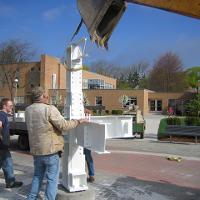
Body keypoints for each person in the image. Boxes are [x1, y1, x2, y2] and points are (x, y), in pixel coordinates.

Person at [25, 87, 88, 200]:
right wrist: (78, 121)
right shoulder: (49, 109)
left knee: (37, 176)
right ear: (42, 96)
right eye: (46, 95)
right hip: (50, 150)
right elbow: (64, 126)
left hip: (36, 150)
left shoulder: (28, 109)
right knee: (52, 179)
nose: (47, 97)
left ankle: (31, 198)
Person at [0, 98, 23, 188]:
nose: (12, 107)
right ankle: (10, 182)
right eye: (10, 106)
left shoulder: (4, 114)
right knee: (7, 163)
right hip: (2, 146)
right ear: (4, 106)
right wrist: (1, 137)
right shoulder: (2, 114)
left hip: (3, 146)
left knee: (7, 163)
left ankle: (10, 182)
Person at [83, 108, 95, 183]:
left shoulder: (86, 112)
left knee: (88, 157)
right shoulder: (86, 112)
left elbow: (90, 113)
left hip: (85, 138)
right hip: (86, 138)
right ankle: (91, 175)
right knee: (88, 157)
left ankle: (91, 175)